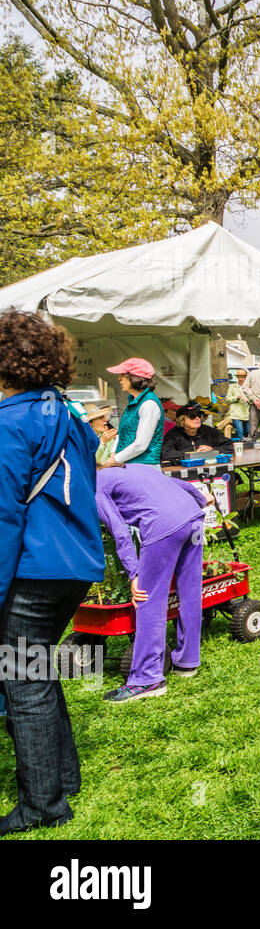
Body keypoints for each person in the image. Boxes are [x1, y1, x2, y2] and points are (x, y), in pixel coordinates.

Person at [0, 309, 105, 834]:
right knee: (37, 670)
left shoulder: (9, 422)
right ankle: (63, 780)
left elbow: (4, 515)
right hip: (75, 564)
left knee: (23, 679)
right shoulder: (67, 414)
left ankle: (43, 805)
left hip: (33, 568)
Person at [95, 465, 208, 701]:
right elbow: (185, 486)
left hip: (164, 527)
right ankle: (187, 662)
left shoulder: (95, 485)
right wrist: (200, 500)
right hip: (194, 519)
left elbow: (120, 532)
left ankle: (147, 679)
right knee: (190, 591)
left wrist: (134, 575)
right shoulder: (136, 468)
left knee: (148, 600)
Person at [105, 358, 165, 468]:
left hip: (145, 468)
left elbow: (141, 445)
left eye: (123, 375)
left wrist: (115, 460)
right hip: (131, 466)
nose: (119, 379)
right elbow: (122, 434)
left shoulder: (149, 404)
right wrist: (113, 455)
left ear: (134, 378)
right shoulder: (134, 402)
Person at [161, 402, 235, 462]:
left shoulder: (210, 431)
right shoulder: (173, 435)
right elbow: (165, 453)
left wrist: (213, 450)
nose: (197, 418)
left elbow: (231, 446)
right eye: (192, 416)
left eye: (199, 415)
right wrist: (193, 453)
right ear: (182, 420)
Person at [225, 368, 250, 439]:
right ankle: (240, 447)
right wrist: (236, 397)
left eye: (242, 377)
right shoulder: (233, 387)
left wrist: (248, 400)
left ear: (246, 377)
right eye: (239, 377)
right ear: (237, 377)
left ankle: (248, 447)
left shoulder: (249, 387)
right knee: (240, 431)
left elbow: (253, 398)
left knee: (248, 431)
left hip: (246, 412)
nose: (241, 378)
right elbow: (228, 398)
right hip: (236, 413)